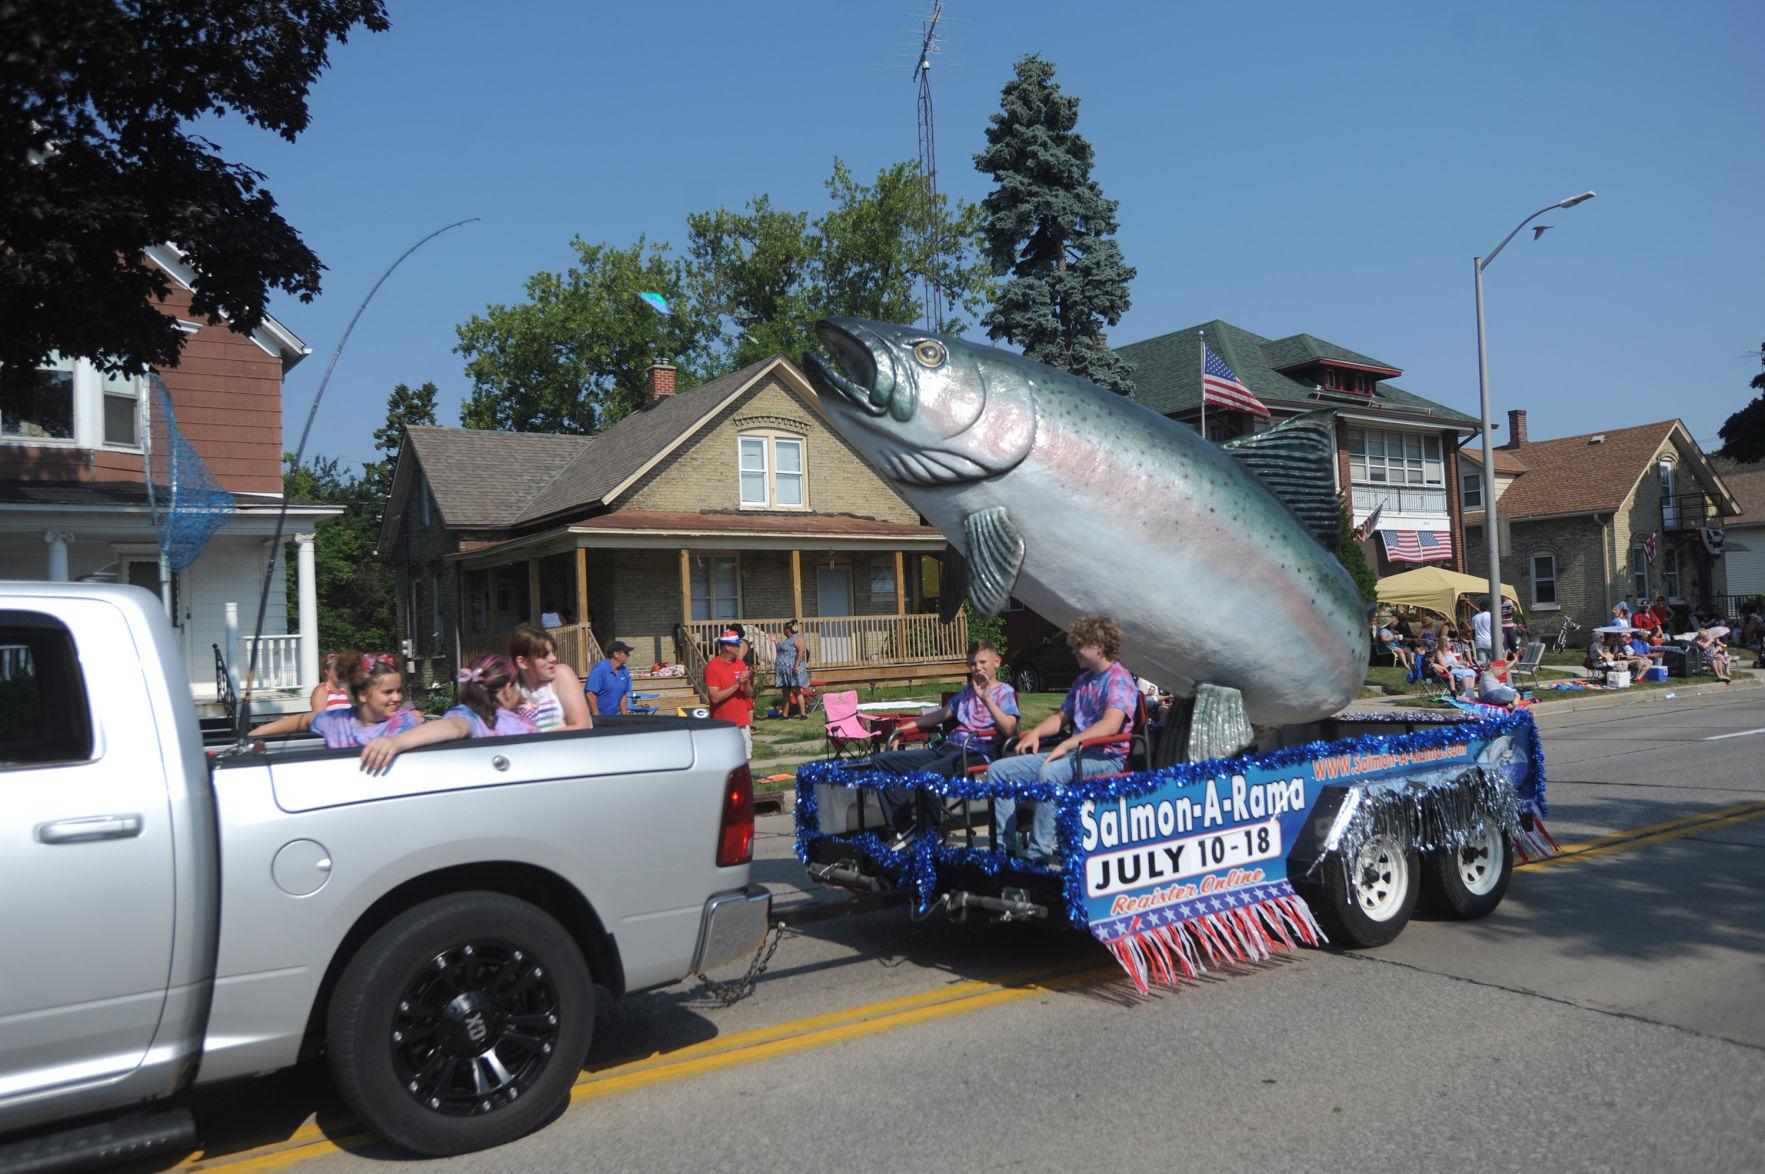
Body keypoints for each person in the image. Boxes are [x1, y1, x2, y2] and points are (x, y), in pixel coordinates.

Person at [989, 615, 1137, 865]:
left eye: (1079, 645)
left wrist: (1068, 743)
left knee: (1051, 773)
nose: (1073, 650)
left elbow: (1111, 724)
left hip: (1106, 758)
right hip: (1075, 755)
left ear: (1099, 647)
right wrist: (1035, 733)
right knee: (997, 771)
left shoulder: (1119, 679)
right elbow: (1060, 717)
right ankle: (1006, 851)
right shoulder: (1082, 681)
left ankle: (1039, 854)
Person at [872, 641, 1020, 840]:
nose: (978, 668)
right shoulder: (967, 693)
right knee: (882, 761)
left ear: (997, 662)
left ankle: (932, 833)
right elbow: (941, 715)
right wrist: (903, 730)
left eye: (982, 662)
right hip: (949, 748)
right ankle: (902, 827)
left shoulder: (1005, 692)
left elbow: (1011, 730)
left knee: (927, 774)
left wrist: (986, 699)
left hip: (975, 753)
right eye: (973, 664)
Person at [356, 654, 541, 772]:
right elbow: (453, 726)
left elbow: (454, 724)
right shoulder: (475, 717)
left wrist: (396, 741)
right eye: (518, 687)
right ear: (508, 689)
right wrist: (396, 742)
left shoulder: (477, 716)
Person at [251, 651, 423, 750]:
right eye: (388, 692)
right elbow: (304, 720)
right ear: (363, 695)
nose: (398, 697)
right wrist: (256, 734)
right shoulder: (338, 721)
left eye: (399, 691)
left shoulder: (406, 723)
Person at [509, 623, 592, 731]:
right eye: (544, 656)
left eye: (553, 652)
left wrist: (537, 739)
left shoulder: (561, 675)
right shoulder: (511, 687)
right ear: (522, 662)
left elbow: (582, 726)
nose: (553, 658)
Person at [704, 629, 755, 759]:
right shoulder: (713, 667)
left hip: (742, 722)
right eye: (736, 644)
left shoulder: (740, 663)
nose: (739, 647)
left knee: (745, 760)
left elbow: (748, 694)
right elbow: (714, 697)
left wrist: (746, 683)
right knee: (725, 760)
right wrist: (737, 684)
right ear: (727, 646)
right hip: (722, 725)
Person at [773, 621, 813, 719]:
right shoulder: (787, 640)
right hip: (785, 672)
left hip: (793, 670)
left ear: (789, 629)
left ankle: (803, 714)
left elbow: (801, 652)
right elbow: (781, 651)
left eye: (784, 629)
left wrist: (796, 665)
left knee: (796, 690)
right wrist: (776, 642)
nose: (783, 631)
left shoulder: (797, 638)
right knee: (786, 692)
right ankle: (785, 714)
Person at [586, 640, 634, 717]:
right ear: (616, 654)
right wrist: (597, 718)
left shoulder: (624, 670)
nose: (628, 655)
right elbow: (590, 694)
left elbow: (623, 695)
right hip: (592, 719)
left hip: (611, 718)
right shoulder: (599, 669)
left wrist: (625, 719)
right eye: (626, 653)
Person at [308, 650, 357, 716]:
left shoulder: (343, 690)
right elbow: (318, 720)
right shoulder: (321, 690)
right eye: (336, 669)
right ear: (327, 671)